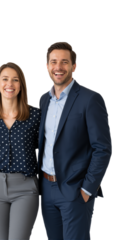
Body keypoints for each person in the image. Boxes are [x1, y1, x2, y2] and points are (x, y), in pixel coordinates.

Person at [38, 41, 112, 240]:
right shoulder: (44, 100)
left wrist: (87, 188)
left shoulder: (90, 99)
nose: (58, 67)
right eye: (53, 62)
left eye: (64, 62)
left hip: (75, 189)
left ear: (74, 66)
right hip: (46, 187)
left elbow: (103, 148)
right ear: (47, 66)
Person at [0, 62, 41, 239]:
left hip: (25, 187)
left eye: (15, 80)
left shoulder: (35, 116)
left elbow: (47, 147)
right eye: (5, 79)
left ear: (21, 85)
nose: (10, 84)